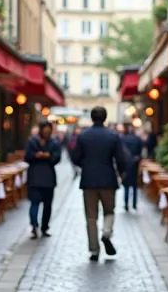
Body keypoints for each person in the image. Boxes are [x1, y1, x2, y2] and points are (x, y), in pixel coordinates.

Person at [71, 105, 130, 261]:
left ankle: (94, 249)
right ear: (105, 118)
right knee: (109, 210)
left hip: (89, 180)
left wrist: (87, 165)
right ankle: (106, 232)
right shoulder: (113, 136)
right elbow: (121, 158)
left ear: (91, 117)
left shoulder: (83, 136)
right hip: (108, 179)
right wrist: (122, 173)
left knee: (91, 216)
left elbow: (75, 157)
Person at [24, 120, 61, 238]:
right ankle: (40, 226)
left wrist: (40, 156)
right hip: (44, 178)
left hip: (38, 177)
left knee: (40, 204)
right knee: (42, 204)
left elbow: (27, 157)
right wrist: (44, 156)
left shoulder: (33, 141)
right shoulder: (52, 142)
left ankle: (38, 226)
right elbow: (56, 158)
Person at [120, 124, 143, 211]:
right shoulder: (137, 139)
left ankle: (126, 204)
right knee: (134, 186)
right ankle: (134, 204)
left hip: (126, 165)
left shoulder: (122, 139)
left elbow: (120, 153)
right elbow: (140, 153)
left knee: (126, 186)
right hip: (134, 165)